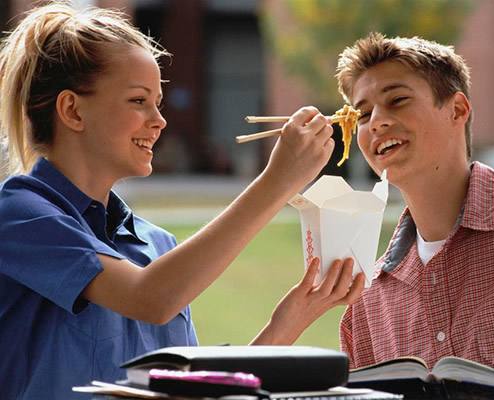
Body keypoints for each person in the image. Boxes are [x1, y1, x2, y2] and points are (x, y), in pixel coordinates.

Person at [0, 3, 365, 399]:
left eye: (157, 101)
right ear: (72, 110)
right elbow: (149, 298)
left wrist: (291, 319)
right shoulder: (18, 216)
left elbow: (194, 391)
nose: (159, 120)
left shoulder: (157, 247)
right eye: (139, 101)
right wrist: (276, 183)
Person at [334, 32, 494, 399]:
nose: (377, 122)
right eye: (363, 114)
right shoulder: (367, 302)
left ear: (457, 109)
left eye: (397, 100)